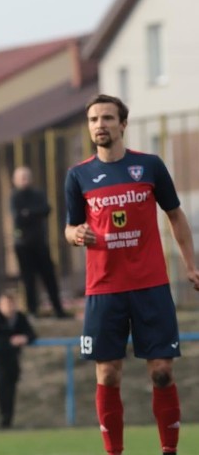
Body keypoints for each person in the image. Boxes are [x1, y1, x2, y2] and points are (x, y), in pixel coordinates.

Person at [64, 93, 199, 455]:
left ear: (123, 124)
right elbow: (70, 227)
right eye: (94, 119)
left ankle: (169, 450)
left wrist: (191, 264)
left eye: (107, 118)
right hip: (104, 289)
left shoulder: (150, 166)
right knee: (107, 374)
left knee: (161, 372)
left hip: (151, 286)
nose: (100, 125)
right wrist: (76, 234)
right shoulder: (79, 175)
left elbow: (175, 215)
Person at [10, 165, 69, 318]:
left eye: (26, 177)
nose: (25, 180)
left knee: (49, 277)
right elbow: (18, 217)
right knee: (28, 279)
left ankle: (58, 310)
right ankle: (32, 311)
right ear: (15, 180)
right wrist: (33, 213)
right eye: (21, 177)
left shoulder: (38, 194)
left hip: (40, 243)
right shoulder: (15, 197)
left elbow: (46, 210)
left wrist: (28, 213)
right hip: (23, 245)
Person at [0, 291, 36, 429]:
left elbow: (31, 334)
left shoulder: (19, 318)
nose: (9, 307)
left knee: (11, 387)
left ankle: (8, 419)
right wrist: (9, 341)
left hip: (13, 358)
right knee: (2, 384)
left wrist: (24, 338)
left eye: (11, 303)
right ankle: (4, 418)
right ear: (0, 306)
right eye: (6, 304)